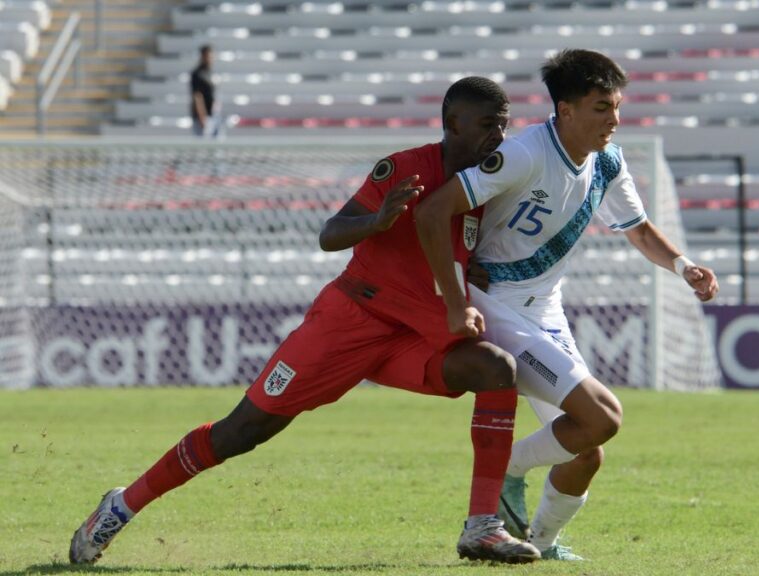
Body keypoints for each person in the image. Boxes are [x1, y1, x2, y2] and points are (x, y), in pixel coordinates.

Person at [68, 77, 542, 565]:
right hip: (350, 322)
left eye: (503, 125)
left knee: (494, 369)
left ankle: (482, 527)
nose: (498, 137)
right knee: (241, 432)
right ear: (452, 124)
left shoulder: (486, 185)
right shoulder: (403, 168)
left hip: (410, 337)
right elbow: (330, 232)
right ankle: (121, 506)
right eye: (487, 125)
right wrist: (376, 222)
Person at [415, 49, 719, 560]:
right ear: (566, 109)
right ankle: (508, 468)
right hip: (496, 304)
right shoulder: (525, 153)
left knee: (586, 449)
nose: (615, 120)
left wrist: (682, 265)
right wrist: (454, 291)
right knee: (603, 416)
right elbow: (436, 207)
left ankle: (541, 543)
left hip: (546, 310)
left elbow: (638, 230)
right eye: (602, 107)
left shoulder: (608, 161)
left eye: (618, 107)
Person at [190, 44, 223, 138]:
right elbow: (197, 96)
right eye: (208, 56)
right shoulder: (197, 74)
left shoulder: (211, 72)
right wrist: (202, 117)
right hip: (204, 117)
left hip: (214, 115)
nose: (210, 58)